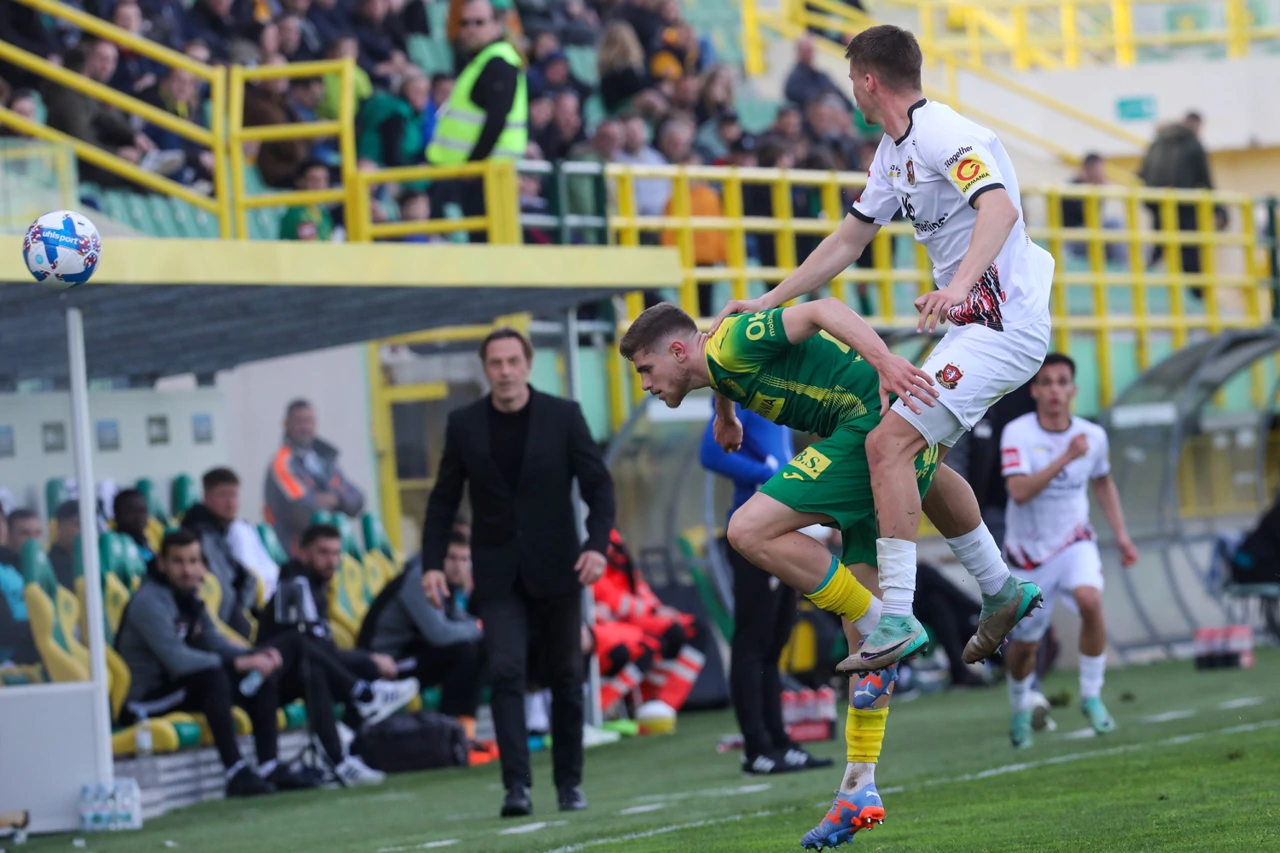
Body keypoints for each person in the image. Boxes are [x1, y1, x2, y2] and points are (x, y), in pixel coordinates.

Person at [712, 24, 1050, 673]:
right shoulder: (893, 154)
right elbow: (847, 241)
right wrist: (766, 302)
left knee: (886, 443)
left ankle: (895, 612)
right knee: (919, 464)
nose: (851, 92)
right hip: (973, 326)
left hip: (1003, 322)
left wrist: (956, 285)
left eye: (851, 79)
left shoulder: (942, 133)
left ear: (868, 79)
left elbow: (1001, 208)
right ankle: (1001, 589)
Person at [619, 299, 947, 847]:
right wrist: (724, 414)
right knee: (864, 646)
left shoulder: (730, 341)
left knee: (747, 529)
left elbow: (821, 307)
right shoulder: (718, 356)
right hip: (867, 436)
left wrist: (886, 361)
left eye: (646, 369)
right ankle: (859, 786)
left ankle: (911, 611)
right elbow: (724, 368)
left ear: (678, 351)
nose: (646, 384)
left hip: (870, 422)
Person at [419, 327, 615, 818]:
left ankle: (569, 783)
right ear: (485, 370)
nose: (504, 371)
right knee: (506, 673)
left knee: (567, 676)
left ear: (528, 364)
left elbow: (599, 488)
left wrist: (596, 547)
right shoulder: (464, 424)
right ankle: (517, 788)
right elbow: (443, 500)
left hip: (559, 568)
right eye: (495, 363)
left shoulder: (563, 416)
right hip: (497, 574)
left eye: (512, 361)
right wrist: (431, 564)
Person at [114, 530, 322, 797]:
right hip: (146, 699)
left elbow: (216, 643)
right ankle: (235, 771)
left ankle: (269, 765)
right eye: (178, 562)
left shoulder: (190, 598)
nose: (187, 570)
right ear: (162, 564)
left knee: (259, 673)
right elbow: (177, 660)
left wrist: (255, 656)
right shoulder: (149, 601)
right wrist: (239, 664)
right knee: (214, 676)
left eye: (193, 561)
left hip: (182, 687)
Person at [1000, 354, 1138, 748]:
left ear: (1073, 390)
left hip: (1074, 541)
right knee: (1026, 647)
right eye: (1048, 383)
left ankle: (1092, 696)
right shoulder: (1018, 433)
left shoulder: (1092, 436)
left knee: (1091, 601)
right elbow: (1019, 492)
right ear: (1035, 390)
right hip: (1027, 554)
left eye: (1063, 382)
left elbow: (1103, 484)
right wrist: (1066, 457)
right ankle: (1020, 708)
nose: (1055, 390)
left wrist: (1123, 537)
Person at [699, 399, 833, 774]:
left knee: (774, 642)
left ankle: (778, 740)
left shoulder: (772, 388)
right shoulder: (738, 388)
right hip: (752, 535)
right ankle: (756, 747)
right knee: (753, 642)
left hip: (778, 531)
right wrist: (765, 472)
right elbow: (710, 452)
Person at [258, 523, 420, 784]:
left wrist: (368, 661)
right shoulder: (294, 580)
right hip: (273, 679)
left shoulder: (318, 587)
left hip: (304, 671)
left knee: (335, 669)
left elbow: (322, 648)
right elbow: (303, 642)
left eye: (335, 553)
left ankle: (343, 749)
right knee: (324, 664)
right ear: (303, 551)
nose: (331, 560)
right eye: (323, 552)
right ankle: (362, 699)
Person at [358, 535, 485, 731]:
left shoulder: (448, 584)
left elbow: (460, 622)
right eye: (451, 558)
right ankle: (449, 731)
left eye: (464, 559)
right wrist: (483, 628)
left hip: (411, 655)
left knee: (475, 650)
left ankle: (465, 730)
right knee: (464, 653)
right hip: (384, 663)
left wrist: (487, 630)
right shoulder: (420, 579)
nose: (458, 566)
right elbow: (440, 634)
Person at [426, 0, 527, 237]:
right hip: (470, 177)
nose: (470, 29)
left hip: (487, 178)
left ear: (497, 25)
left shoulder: (498, 62)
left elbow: (496, 121)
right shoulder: (480, 61)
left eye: (479, 22)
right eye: (465, 23)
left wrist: (474, 164)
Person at [265, 399, 365, 553]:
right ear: (286, 425)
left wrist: (333, 499)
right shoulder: (281, 463)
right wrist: (336, 499)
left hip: (333, 551)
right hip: (296, 553)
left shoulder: (324, 460)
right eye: (299, 421)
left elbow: (357, 500)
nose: (305, 427)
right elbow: (302, 509)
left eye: (309, 420)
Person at [182, 468, 259, 639]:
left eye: (234, 495)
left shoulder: (222, 529)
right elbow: (224, 595)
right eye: (223, 495)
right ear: (206, 497)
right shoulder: (200, 534)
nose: (230, 503)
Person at [1139, 111, 1213, 281]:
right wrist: (1219, 209)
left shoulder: (1157, 142)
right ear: (1196, 125)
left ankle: (1154, 282)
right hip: (1184, 203)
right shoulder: (1193, 143)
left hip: (1157, 202)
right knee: (1190, 249)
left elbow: (1143, 173)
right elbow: (1205, 177)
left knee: (1160, 247)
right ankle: (1196, 292)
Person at [47, 500, 81, 590]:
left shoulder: (92, 559)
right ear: (60, 526)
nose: (83, 530)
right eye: (77, 524)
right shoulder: (52, 564)